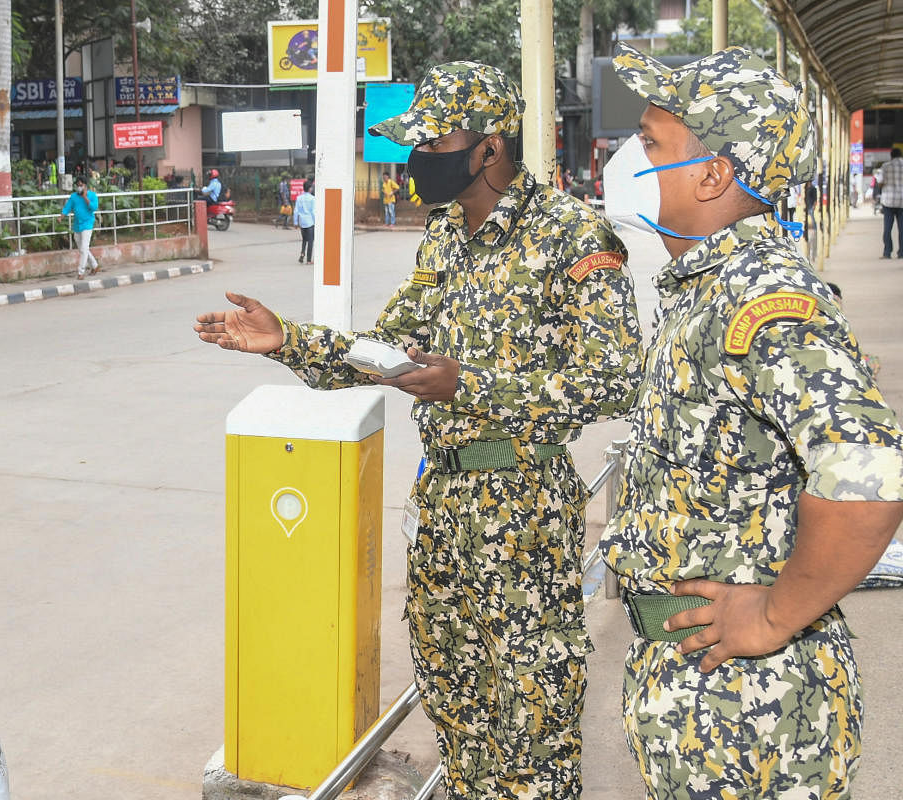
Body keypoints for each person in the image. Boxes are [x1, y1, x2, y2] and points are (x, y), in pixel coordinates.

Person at [195, 61, 642, 799]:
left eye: (436, 140)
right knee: (455, 700)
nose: (418, 157)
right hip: (442, 503)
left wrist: (470, 384)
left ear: (490, 147)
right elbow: (391, 350)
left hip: (522, 504)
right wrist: (291, 342)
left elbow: (614, 378)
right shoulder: (443, 239)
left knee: (531, 712)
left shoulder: (571, 234)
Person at [599, 43, 903, 799]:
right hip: (702, 687)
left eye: (648, 144)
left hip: (748, 704)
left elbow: (870, 478)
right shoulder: (705, 287)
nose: (625, 159)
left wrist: (772, 616)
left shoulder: (762, 298)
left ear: (711, 173)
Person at [62, 175, 100, 278]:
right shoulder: (74, 196)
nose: (79, 187)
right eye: (77, 185)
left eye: (81, 185)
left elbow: (93, 207)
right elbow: (67, 207)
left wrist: (85, 197)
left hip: (87, 224)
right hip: (77, 225)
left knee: (84, 248)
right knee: (82, 249)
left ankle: (81, 272)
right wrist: (61, 216)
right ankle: (95, 265)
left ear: (85, 186)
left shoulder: (92, 195)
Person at [878, 147, 903, 257]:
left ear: (891, 156)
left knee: (887, 228)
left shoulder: (885, 166)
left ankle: (887, 252)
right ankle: (901, 252)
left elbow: (880, 182)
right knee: (902, 229)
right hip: (902, 201)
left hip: (888, 201)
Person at [292, 179, 316, 264]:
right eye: (311, 187)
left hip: (302, 222)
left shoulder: (299, 198)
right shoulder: (313, 198)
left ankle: (302, 254)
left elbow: (296, 211)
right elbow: (313, 212)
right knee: (310, 240)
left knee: (304, 239)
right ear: (309, 188)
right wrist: (316, 222)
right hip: (310, 222)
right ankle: (309, 260)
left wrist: (295, 222)